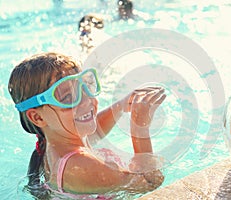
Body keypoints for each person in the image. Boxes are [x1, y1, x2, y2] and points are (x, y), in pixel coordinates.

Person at [8, 52, 165, 198]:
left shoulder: (56, 143)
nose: (86, 101)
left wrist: (121, 105)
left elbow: (94, 132)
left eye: (86, 87)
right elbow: (149, 182)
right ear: (37, 117)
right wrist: (140, 127)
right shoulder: (79, 167)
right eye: (68, 97)